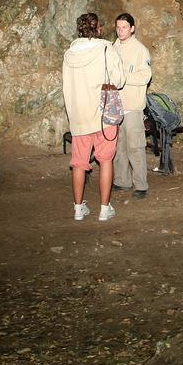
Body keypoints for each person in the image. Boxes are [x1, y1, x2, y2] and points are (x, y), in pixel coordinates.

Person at [62, 12, 126, 221]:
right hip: (103, 115)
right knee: (106, 161)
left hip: (79, 117)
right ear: (98, 28)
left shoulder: (69, 54)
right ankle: (104, 209)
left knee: (79, 163)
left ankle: (78, 209)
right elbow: (119, 79)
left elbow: (66, 87)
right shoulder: (107, 49)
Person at [111, 12, 153, 199]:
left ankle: (140, 184)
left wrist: (124, 77)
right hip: (115, 105)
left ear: (132, 28)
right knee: (118, 146)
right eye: (118, 27)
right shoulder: (113, 47)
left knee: (135, 147)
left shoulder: (140, 50)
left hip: (132, 106)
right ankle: (121, 180)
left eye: (124, 27)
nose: (121, 31)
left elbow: (146, 75)